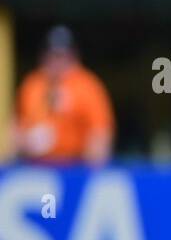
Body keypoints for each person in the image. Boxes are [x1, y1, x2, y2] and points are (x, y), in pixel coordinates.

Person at [15, 26, 115, 165]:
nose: (56, 62)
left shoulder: (87, 86)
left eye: (62, 56)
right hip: (36, 168)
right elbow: (17, 130)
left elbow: (100, 136)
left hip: (74, 167)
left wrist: (88, 169)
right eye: (52, 55)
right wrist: (28, 143)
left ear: (73, 56)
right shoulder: (33, 84)